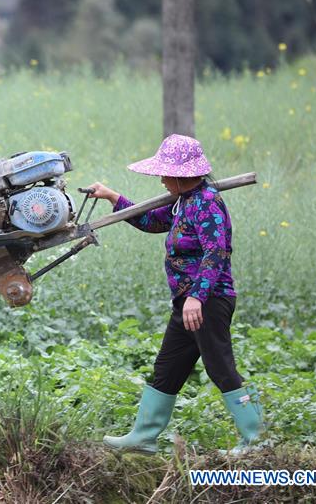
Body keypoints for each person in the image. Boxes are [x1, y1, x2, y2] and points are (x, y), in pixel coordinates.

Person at [85, 134, 263, 455]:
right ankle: (143, 436)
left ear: (182, 175)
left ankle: (255, 441)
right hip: (187, 302)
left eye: (165, 174)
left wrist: (197, 296)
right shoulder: (183, 201)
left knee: (220, 367)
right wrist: (113, 196)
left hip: (208, 301)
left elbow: (216, 251)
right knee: (167, 367)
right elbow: (151, 222)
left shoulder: (206, 202)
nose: (162, 180)